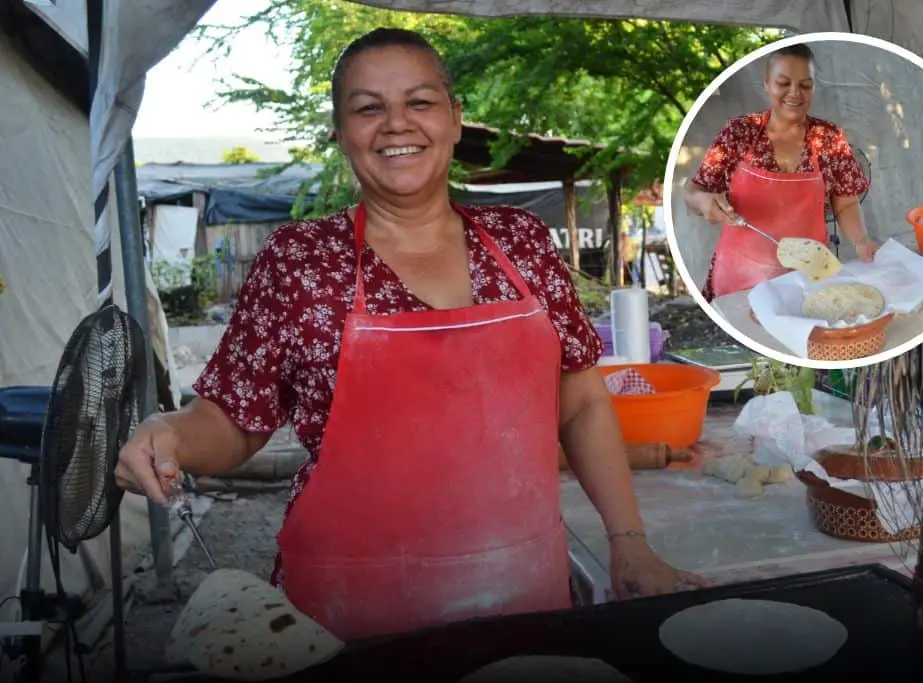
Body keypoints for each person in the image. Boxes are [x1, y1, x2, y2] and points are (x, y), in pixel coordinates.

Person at [115, 27, 705, 643]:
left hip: (522, 591)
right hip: (345, 611)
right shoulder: (300, 261)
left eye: (420, 103)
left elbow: (581, 401)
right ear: (340, 133)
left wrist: (628, 538)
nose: (397, 125)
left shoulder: (521, 243)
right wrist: (169, 435)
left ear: (454, 119)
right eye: (369, 108)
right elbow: (234, 419)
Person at [683, 43, 878, 302]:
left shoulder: (829, 137)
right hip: (741, 280)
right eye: (783, 83)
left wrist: (861, 241)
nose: (795, 93)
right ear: (766, 83)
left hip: (809, 278)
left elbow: (845, 203)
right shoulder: (739, 132)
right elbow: (693, 193)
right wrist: (704, 201)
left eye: (806, 85)